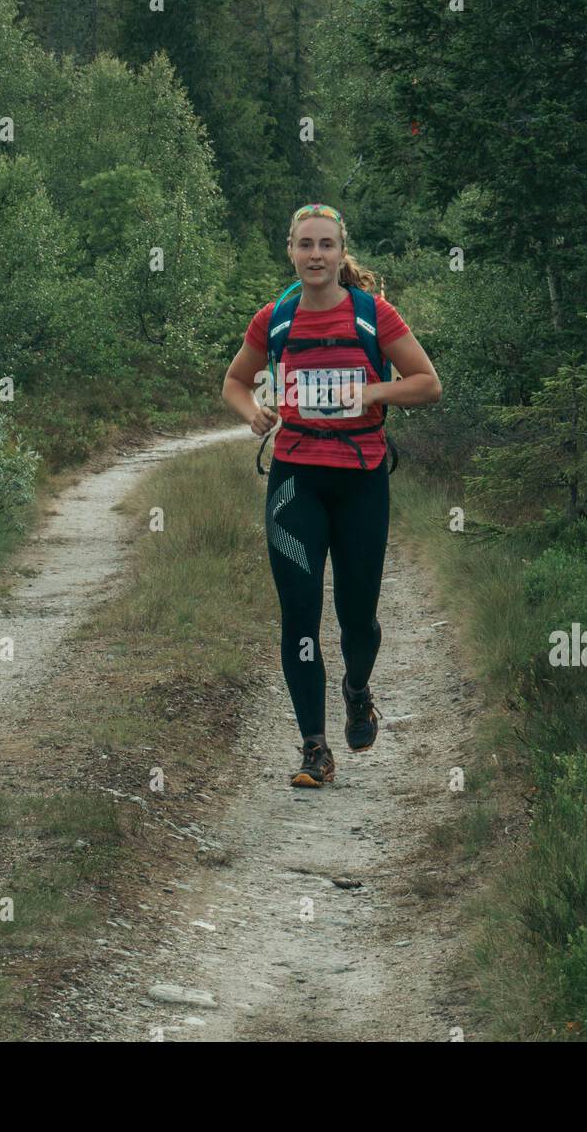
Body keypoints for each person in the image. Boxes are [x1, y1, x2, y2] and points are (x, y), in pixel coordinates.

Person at [221, 204, 442, 787]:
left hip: (361, 477)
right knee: (299, 612)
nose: (315, 255)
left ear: (342, 252)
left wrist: (370, 392)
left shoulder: (373, 315)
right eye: (305, 245)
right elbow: (235, 381)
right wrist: (254, 414)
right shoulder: (274, 318)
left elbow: (427, 383)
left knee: (357, 616)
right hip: (295, 480)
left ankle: (357, 688)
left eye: (326, 245)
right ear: (290, 251)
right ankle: (314, 747)